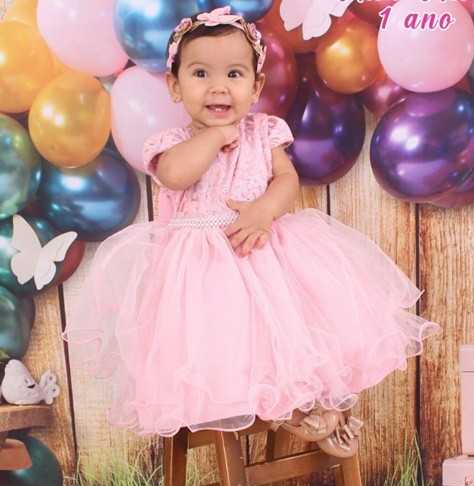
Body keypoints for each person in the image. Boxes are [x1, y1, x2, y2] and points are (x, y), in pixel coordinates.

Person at [62, 6, 440, 458]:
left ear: (256, 87)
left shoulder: (265, 133)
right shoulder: (170, 144)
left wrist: (265, 210)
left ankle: (321, 404)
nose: (219, 86)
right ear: (175, 86)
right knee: (235, 345)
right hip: (204, 276)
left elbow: (287, 180)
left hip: (264, 252)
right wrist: (213, 136)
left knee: (300, 326)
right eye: (200, 73)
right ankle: (293, 413)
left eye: (234, 74)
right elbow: (176, 175)